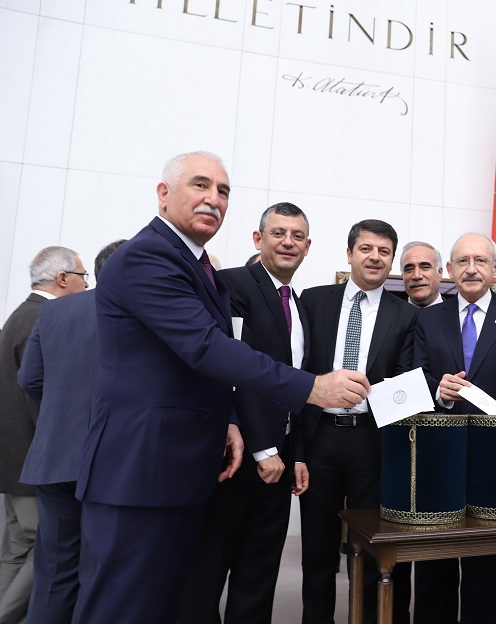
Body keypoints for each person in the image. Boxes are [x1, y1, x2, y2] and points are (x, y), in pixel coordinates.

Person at [74, 151, 369, 624]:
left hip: (182, 469)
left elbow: (197, 367)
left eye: (223, 191)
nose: (213, 199)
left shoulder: (197, 267)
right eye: (200, 185)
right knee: (122, 607)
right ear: (164, 193)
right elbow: (208, 348)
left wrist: (227, 420)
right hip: (141, 470)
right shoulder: (149, 257)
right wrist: (312, 388)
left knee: (165, 604)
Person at [178, 202, 313, 623]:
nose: (288, 242)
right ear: (258, 239)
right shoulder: (231, 284)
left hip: (280, 460)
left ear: (308, 246)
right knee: (207, 571)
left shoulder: (299, 304)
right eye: (278, 233)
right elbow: (233, 370)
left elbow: (299, 384)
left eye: (297, 236)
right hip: (236, 456)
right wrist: (262, 448)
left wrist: (295, 453)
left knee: (259, 572)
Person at [412, 232, 496, 624]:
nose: (471, 269)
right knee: (435, 565)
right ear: (449, 269)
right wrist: (439, 391)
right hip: (439, 460)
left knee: (488, 571)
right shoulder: (429, 317)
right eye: (462, 261)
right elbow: (417, 375)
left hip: (495, 462)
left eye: (480, 261)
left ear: (495, 269)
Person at [298, 219, 417, 624]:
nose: (375, 258)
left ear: (392, 261)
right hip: (320, 439)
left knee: (368, 546)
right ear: (349, 254)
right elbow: (298, 368)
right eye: (366, 249)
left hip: (371, 441)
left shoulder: (405, 315)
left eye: (384, 252)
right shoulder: (314, 300)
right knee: (317, 547)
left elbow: (403, 378)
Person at [16, 241, 123, 624]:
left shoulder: (55, 310)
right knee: (98, 574)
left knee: (53, 573)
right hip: (108, 463)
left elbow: (29, 379)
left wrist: (65, 411)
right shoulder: (134, 313)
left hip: (53, 457)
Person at [0, 245, 88, 624]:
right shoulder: (45, 317)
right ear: (63, 278)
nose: (87, 286)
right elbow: (41, 394)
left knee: (17, 548)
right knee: (46, 550)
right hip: (34, 460)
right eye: (84, 276)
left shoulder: (22, 313)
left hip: (14, 458)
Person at [400, 241, 444, 307]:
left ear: (440, 273)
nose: (417, 276)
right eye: (409, 269)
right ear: (403, 276)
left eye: (425, 267)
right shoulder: (390, 313)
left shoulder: (457, 312)